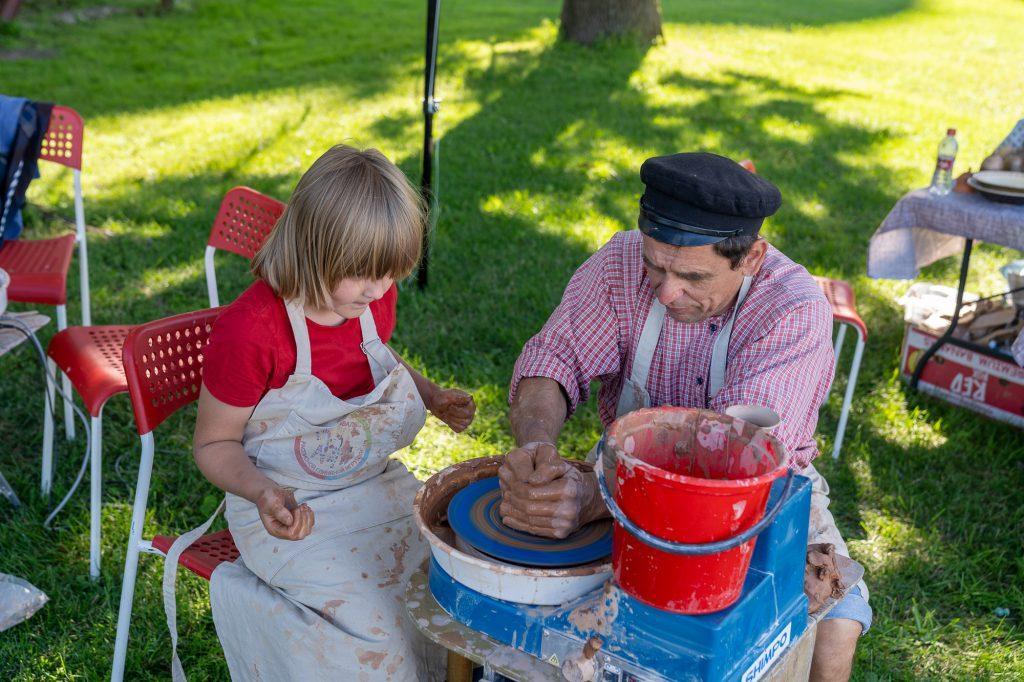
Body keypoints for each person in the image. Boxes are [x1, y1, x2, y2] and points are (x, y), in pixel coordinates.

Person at [499, 152, 871, 681]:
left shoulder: (790, 307)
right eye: (656, 267)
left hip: (758, 489)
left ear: (753, 257)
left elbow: (732, 464)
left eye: (693, 276)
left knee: (836, 618)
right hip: (618, 469)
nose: (667, 291)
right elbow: (554, 359)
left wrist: (592, 501)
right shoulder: (619, 263)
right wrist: (536, 447)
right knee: (555, 623)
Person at [185, 144, 476, 680]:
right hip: (286, 507)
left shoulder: (367, 299)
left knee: (450, 584)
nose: (378, 290)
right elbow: (213, 444)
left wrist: (431, 396)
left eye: (389, 273)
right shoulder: (252, 330)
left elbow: (378, 362)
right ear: (312, 248)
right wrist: (262, 493)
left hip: (367, 479)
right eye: (363, 273)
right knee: (378, 626)